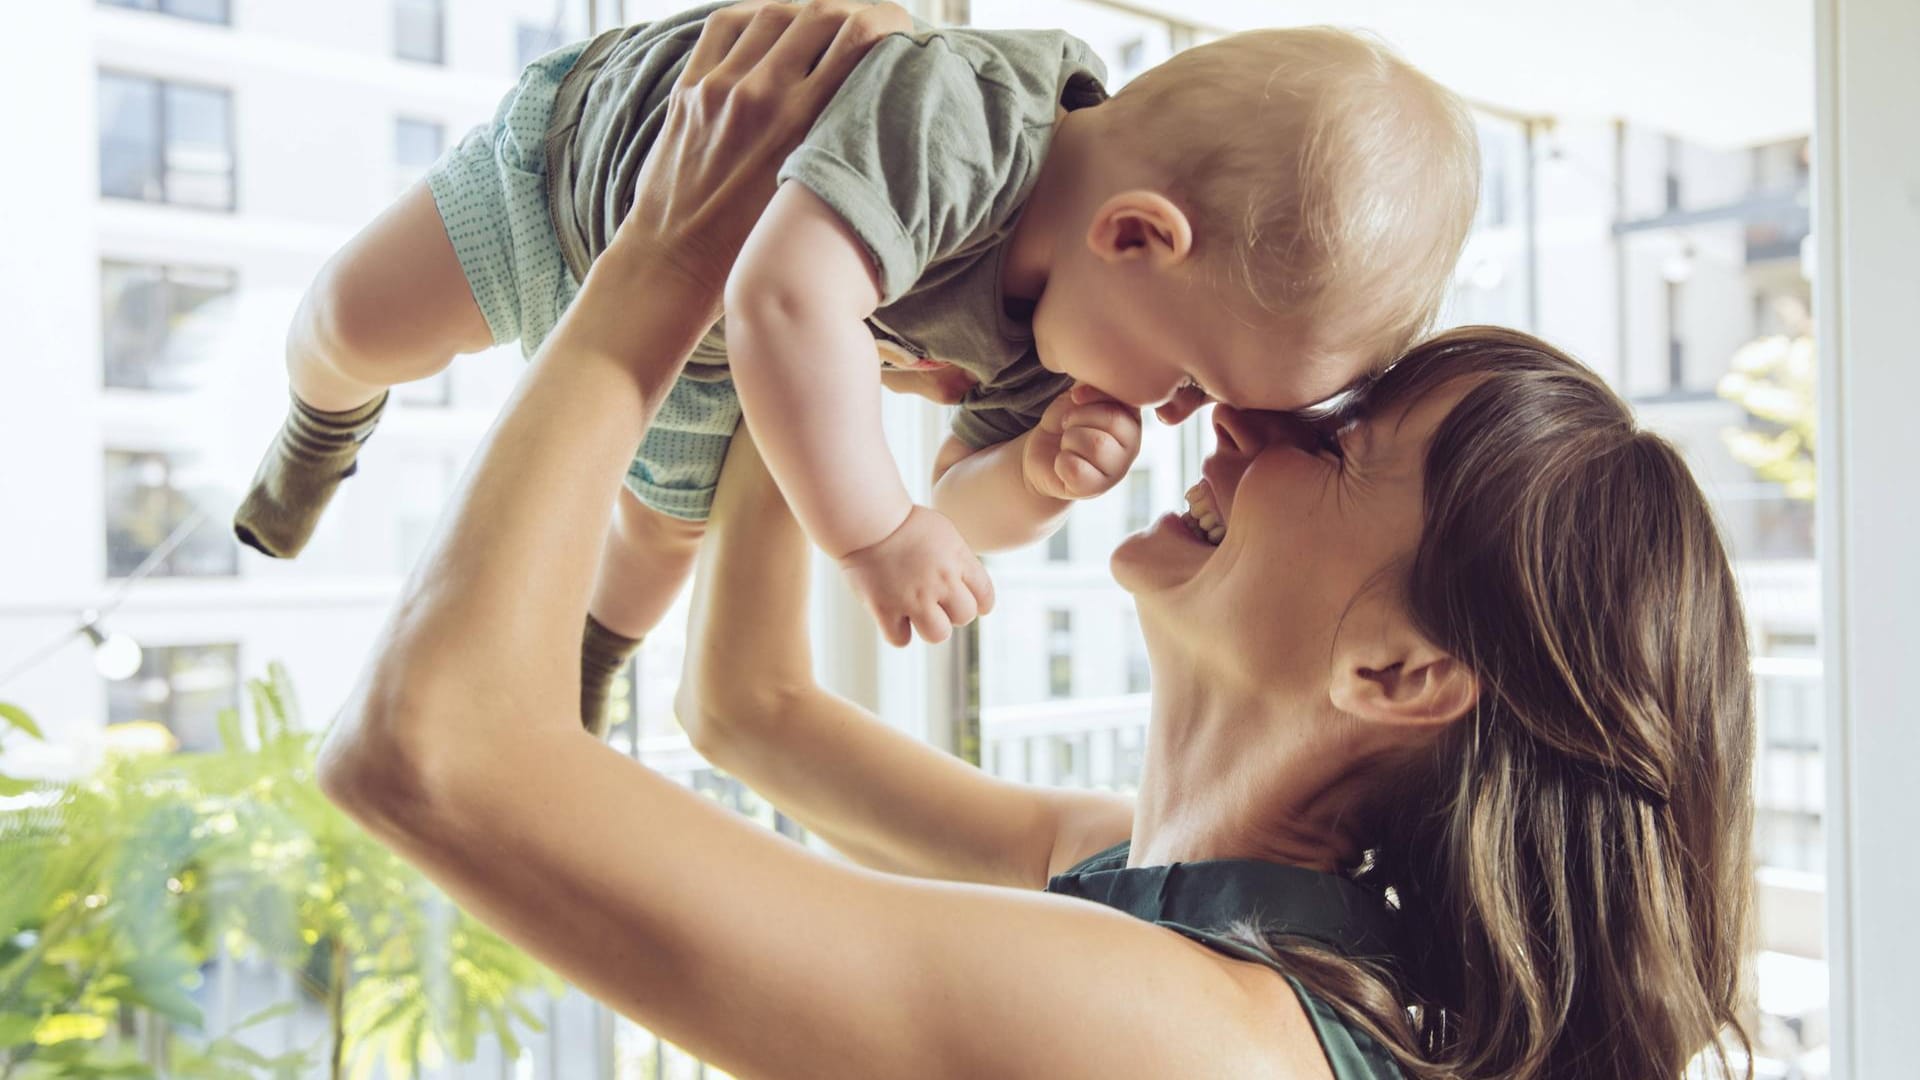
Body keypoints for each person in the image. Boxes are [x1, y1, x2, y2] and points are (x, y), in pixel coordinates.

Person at [317, 5, 1755, 1077]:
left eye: (1331, 442)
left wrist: (664, 257)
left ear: (1399, 672)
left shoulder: (1184, 1039)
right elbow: (750, 712)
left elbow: (431, 752)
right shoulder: (1171, 897)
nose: (1231, 431)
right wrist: (833, 269)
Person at [233, 0, 1482, 733]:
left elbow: (954, 501)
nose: (1168, 415)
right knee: (352, 318)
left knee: (662, 538)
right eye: (1191, 379)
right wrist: (872, 538)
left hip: (705, 357)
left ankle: (589, 661)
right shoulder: (967, 120)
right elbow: (785, 294)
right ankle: (318, 427)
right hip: (576, 192)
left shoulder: (1069, 333)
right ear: (1138, 235)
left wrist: (1034, 477)